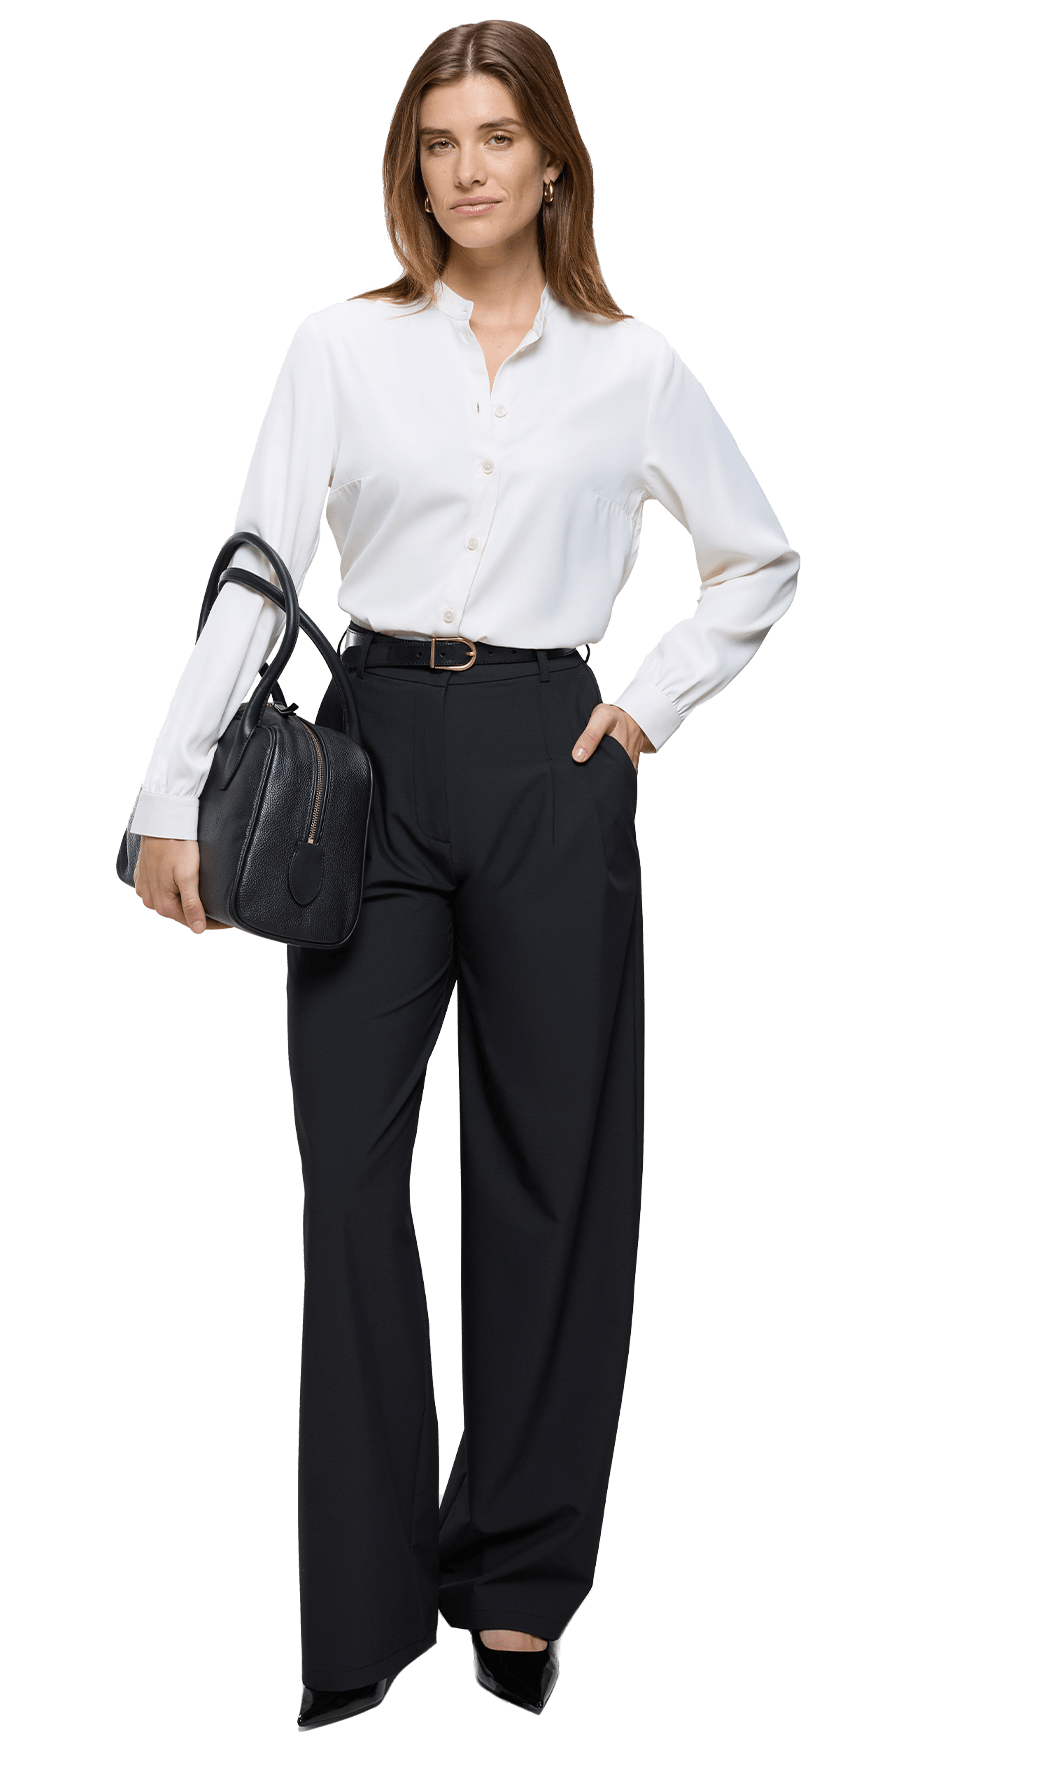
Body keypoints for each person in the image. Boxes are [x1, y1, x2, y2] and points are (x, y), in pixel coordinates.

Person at [128, 19, 798, 1730]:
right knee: (349, 1183)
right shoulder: (340, 346)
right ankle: (361, 1610)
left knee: (552, 1175)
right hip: (364, 756)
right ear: (408, 167)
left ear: (553, 160)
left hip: (549, 759)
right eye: (438, 142)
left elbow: (755, 561)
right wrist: (170, 794)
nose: (467, 169)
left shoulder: (631, 366)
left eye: (497, 136)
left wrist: (642, 714)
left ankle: (519, 1581)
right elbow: (261, 568)